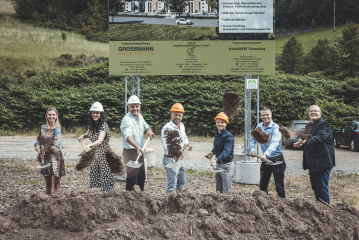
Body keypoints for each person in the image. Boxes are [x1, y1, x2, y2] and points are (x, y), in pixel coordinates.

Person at [293, 105, 335, 204]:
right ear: (308, 114)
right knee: (315, 187)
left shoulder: (324, 124)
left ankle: (326, 212)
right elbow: (305, 138)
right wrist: (299, 143)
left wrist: (305, 142)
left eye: (316, 111)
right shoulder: (308, 126)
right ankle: (319, 210)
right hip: (312, 162)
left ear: (320, 113)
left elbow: (320, 137)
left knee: (321, 188)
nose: (313, 113)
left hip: (322, 161)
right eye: (311, 111)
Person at [78, 102, 114, 192]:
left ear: (100, 114)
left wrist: (90, 145)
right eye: (93, 112)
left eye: (97, 113)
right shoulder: (92, 124)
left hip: (104, 154)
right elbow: (89, 133)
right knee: (94, 174)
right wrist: (82, 136)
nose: (95, 114)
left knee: (105, 176)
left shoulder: (104, 125)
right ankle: (95, 195)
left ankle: (108, 195)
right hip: (94, 154)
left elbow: (100, 140)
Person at [250, 107, 286, 198]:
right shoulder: (259, 126)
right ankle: (263, 206)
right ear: (261, 116)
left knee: (279, 187)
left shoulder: (276, 128)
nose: (265, 116)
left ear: (271, 115)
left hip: (277, 160)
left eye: (267, 114)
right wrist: (252, 150)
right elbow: (252, 140)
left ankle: (283, 207)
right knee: (262, 186)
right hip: (265, 160)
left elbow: (274, 143)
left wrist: (266, 154)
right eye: (263, 115)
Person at [120, 95, 155, 191]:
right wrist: (136, 147)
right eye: (132, 106)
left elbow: (146, 126)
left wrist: (149, 130)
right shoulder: (126, 120)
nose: (135, 108)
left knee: (141, 177)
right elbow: (128, 137)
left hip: (139, 151)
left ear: (140, 107)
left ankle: (141, 199)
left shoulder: (140, 117)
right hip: (130, 152)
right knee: (132, 178)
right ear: (128, 107)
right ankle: (130, 200)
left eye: (137, 106)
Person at [161, 103, 192, 194]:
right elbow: (167, 147)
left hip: (181, 159)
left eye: (179, 115)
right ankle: (168, 206)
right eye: (175, 115)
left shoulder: (182, 126)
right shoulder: (167, 128)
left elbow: (184, 138)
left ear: (182, 116)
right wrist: (180, 151)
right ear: (171, 114)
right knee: (171, 187)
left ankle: (179, 205)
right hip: (171, 160)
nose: (177, 117)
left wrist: (186, 144)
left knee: (181, 185)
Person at [34, 107, 65, 195]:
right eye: (49, 114)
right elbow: (39, 140)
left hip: (56, 158)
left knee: (57, 184)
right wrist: (37, 146)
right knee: (48, 184)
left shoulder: (57, 129)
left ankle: (56, 203)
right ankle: (47, 204)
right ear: (46, 116)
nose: (51, 116)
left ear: (56, 116)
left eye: (53, 115)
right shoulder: (43, 127)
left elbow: (57, 145)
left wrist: (45, 151)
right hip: (45, 158)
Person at [205, 112, 235, 193]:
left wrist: (216, 159)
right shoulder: (217, 134)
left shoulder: (229, 136)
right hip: (218, 164)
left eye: (222, 122)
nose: (220, 124)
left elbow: (227, 151)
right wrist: (212, 153)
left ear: (226, 124)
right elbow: (217, 147)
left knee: (226, 191)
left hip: (226, 166)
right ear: (216, 123)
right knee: (218, 191)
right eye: (218, 122)